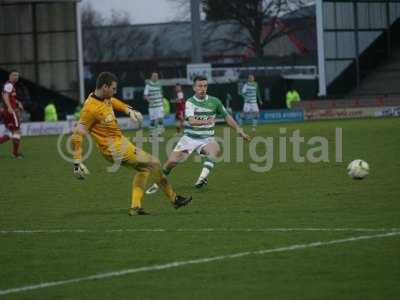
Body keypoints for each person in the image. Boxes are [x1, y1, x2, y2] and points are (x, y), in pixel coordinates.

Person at [71, 72, 192, 215]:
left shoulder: (103, 97)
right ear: (105, 87)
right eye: (114, 89)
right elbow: (78, 133)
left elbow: (114, 102)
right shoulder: (90, 108)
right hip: (114, 149)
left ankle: (136, 207)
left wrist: (128, 110)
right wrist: (77, 161)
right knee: (154, 163)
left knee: (144, 170)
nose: (115, 92)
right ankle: (174, 199)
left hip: (120, 143)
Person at [146, 75, 250, 194]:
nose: (203, 88)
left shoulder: (214, 101)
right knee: (171, 163)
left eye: (205, 86)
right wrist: (207, 121)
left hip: (207, 139)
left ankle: (202, 178)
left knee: (215, 150)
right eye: (200, 86)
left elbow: (227, 117)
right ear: (194, 88)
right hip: (189, 139)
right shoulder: (190, 102)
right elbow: (192, 121)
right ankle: (157, 184)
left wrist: (239, 130)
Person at [1, 70, 24, 158]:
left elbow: (10, 97)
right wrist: (10, 107)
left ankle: (15, 153)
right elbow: (5, 96)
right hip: (11, 111)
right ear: (10, 76)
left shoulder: (10, 85)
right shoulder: (9, 85)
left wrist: (18, 102)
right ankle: (15, 153)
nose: (16, 77)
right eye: (14, 75)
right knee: (17, 132)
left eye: (17, 76)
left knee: (11, 133)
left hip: (7, 111)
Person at [143, 72, 164, 136]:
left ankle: (159, 132)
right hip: (152, 106)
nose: (155, 77)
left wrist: (162, 100)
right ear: (151, 77)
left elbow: (161, 93)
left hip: (159, 105)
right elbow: (145, 95)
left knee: (160, 119)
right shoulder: (148, 85)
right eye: (154, 76)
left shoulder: (159, 84)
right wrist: (149, 101)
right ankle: (151, 133)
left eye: (156, 76)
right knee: (152, 120)